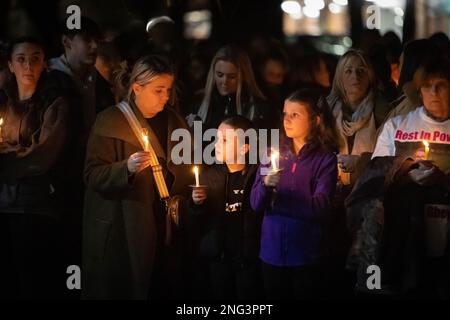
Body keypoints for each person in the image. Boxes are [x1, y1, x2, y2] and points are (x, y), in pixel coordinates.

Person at [82, 55, 193, 300]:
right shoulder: (110, 121)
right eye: (158, 90)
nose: (165, 96)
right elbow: (92, 174)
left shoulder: (175, 121)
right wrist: (126, 169)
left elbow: (187, 167)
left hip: (165, 228)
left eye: (168, 90)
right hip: (125, 227)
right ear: (136, 88)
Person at [250, 87, 339, 299]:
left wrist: (281, 202)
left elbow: (321, 207)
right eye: (285, 114)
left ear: (315, 120)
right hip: (271, 254)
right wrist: (265, 186)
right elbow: (255, 203)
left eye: (295, 115)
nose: (287, 120)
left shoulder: (325, 159)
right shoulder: (272, 153)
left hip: (306, 256)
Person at [0, 37, 70, 299]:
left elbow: (44, 155)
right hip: (4, 203)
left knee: (33, 280)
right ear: (10, 65)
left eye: (35, 59)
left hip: (37, 205)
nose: (28, 66)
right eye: (20, 59)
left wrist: (8, 157)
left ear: (44, 64)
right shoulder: (3, 100)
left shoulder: (55, 103)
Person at [190, 115, 264, 300]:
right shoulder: (209, 177)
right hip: (219, 256)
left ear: (244, 147)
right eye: (217, 138)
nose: (217, 144)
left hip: (248, 257)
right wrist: (197, 204)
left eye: (224, 140)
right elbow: (198, 221)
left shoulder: (257, 177)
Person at [327, 49, 390, 187]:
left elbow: (389, 155)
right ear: (340, 77)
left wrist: (361, 161)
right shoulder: (327, 110)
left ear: (370, 76)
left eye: (361, 70)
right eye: (348, 71)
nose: (355, 76)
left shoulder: (382, 110)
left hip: (368, 187)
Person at [48, 16, 114, 144]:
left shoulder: (96, 76)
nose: (94, 46)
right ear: (66, 42)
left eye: (96, 40)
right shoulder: (50, 78)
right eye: (87, 39)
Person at [187, 45, 278, 130]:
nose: (224, 82)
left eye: (232, 77)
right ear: (213, 74)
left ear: (243, 77)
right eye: (220, 75)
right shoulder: (199, 106)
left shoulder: (259, 110)